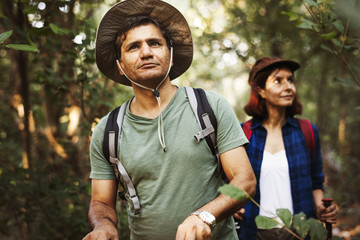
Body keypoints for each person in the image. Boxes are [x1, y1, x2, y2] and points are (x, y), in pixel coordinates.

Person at [83, 1, 256, 240]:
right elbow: (101, 202)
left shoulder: (210, 106)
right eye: (133, 47)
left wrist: (205, 215)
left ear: (171, 56)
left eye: (154, 43)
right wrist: (103, 225)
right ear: (120, 66)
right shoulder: (108, 131)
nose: (146, 52)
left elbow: (244, 181)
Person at [237, 57, 338, 239]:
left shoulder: (307, 131)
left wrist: (321, 208)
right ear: (261, 91)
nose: (288, 87)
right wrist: (234, 207)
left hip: (299, 231)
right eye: (278, 81)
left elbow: (316, 181)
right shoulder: (244, 134)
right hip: (254, 231)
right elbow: (232, 183)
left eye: (290, 80)